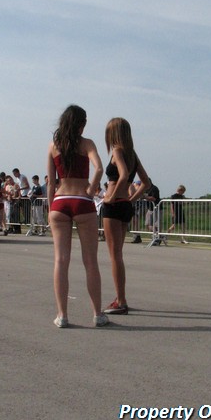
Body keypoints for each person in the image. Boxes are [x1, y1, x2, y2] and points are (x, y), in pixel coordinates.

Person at [47, 104, 109, 328]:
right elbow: (99, 168)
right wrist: (91, 190)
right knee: (90, 260)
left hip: (60, 201)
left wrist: (50, 209)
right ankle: (97, 314)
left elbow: (51, 183)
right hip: (82, 201)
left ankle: (62, 315)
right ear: (81, 124)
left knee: (60, 260)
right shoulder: (87, 144)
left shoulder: (53, 146)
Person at [102, 117, 150, 315]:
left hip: (114, 207)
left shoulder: (117, 150)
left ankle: (121, 301)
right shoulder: (132, 154)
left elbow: (122, 175)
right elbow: (146, 182)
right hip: (124, 205)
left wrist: (111, 197)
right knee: (118, 255)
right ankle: (120, 297)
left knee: (115, 256)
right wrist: (130, 200)